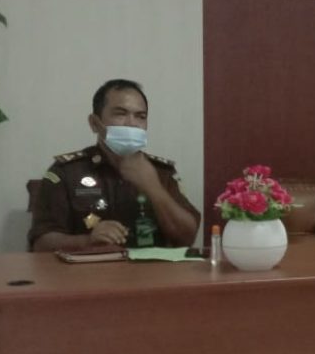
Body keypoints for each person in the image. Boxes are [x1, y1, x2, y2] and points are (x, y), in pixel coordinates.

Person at [28, 79, 200, 252]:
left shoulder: (161, 172)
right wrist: (87, 241)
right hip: (90, 269)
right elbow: (41, 244)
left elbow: (187, 238)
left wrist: (153, 188)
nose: (132, 123)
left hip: (150, 268)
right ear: (94, 123)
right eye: (121, 114)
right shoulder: (67, 172)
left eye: (140, 116)